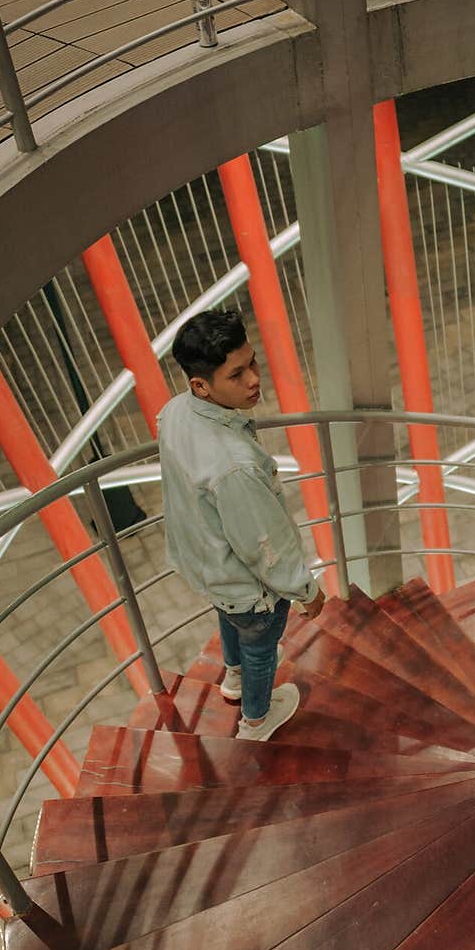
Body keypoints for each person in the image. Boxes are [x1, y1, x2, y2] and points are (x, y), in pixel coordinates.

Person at [158, 309, 325, 741]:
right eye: (237, 374)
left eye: (252, 363)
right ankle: (256, 721)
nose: (253, 379)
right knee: (260, 645)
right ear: (202, 385)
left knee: (231, 619)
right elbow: (264, 545)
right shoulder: (235, 466)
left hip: (206, 562)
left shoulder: (175, 412)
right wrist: (307, 591)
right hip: (248, 585)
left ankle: (232, 678)